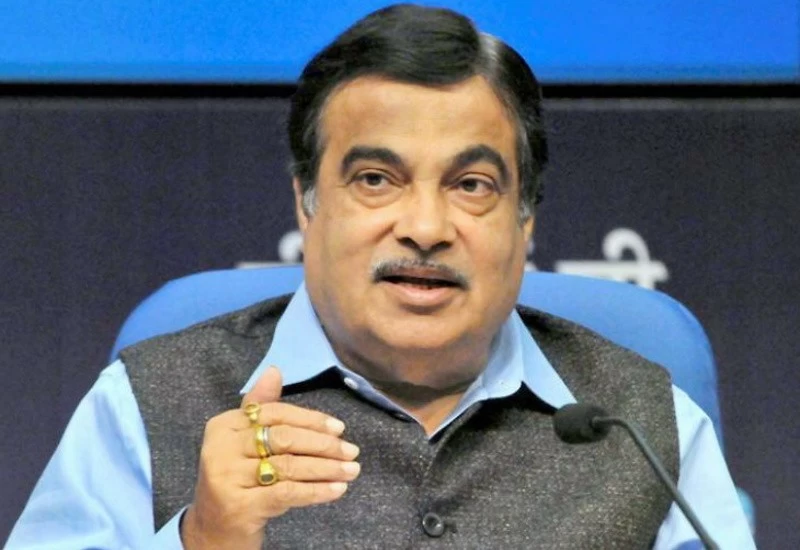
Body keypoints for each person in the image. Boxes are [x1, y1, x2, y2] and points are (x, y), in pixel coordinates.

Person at [7, 4, 754, 549]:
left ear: (525, 220)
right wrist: (199, 540)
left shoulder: (644, 421)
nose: (425, 227)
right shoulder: (145, 405)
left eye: (471, 185)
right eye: (375, 179)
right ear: (307, 204)